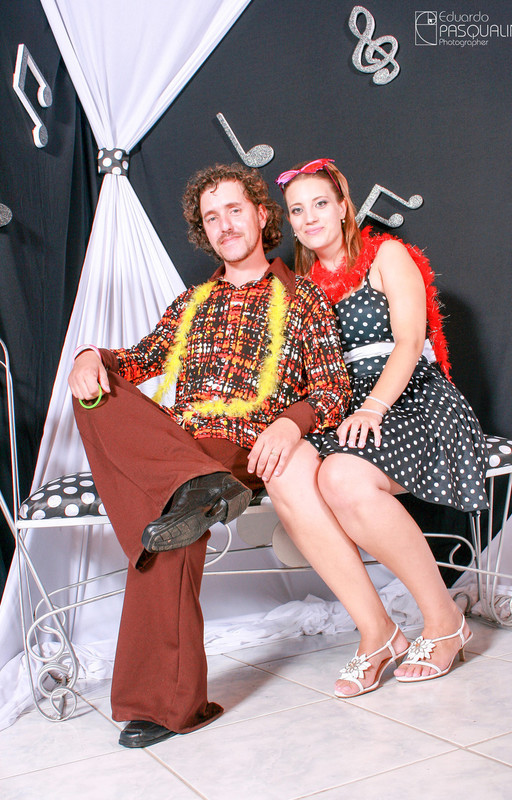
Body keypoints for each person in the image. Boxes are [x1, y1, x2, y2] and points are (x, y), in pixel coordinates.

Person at [68, 162, 350, 747]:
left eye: (234, 210)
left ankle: (164, 707)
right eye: (211, 217)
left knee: (164, 527)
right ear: (204, 231)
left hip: (241, 440)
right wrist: (90, 356)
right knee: (93, 393)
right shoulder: (190, 303)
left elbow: (332, 389)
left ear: (260, 214)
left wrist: (290, 425)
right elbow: (139, 360)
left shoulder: (302, 300)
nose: (225, 225)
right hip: (181, 443)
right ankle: (188, 489)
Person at [266, 158, 488, 698]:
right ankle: (377, 632)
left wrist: (374, 407)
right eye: (298, 210)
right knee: (286, 472)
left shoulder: (386, 255)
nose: (310, 216)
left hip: (413, 395)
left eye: (321, 203)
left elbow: (411, 341)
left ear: (344, 206)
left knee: (342, 479)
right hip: (345, 406)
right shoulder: (302, 290)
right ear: (291, 223)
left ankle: (443, 621)